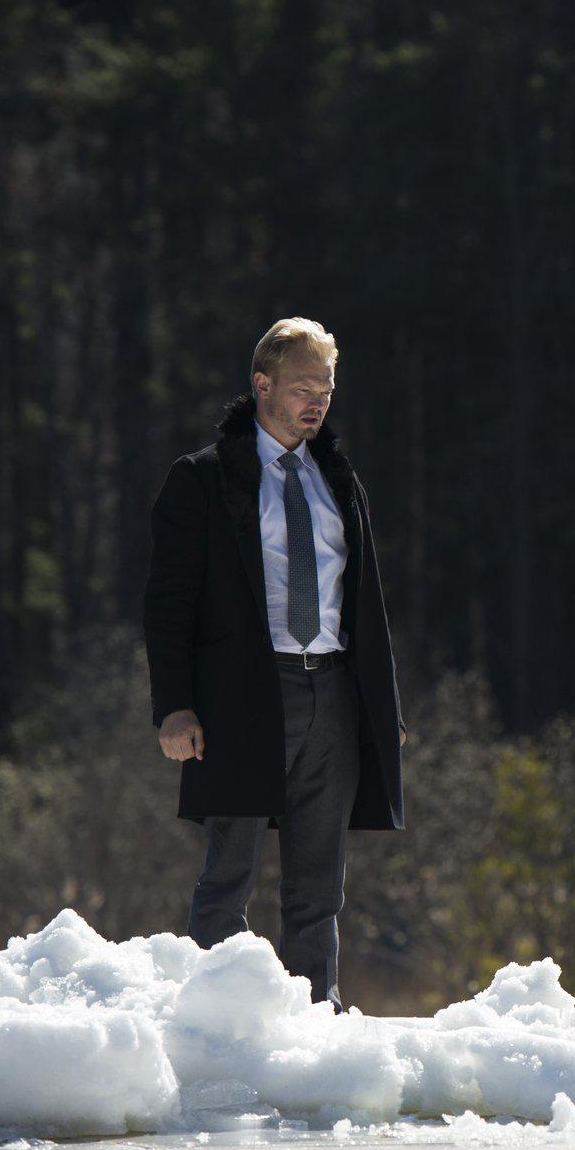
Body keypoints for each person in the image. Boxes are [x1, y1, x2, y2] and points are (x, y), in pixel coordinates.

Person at [142, 317, 406, 1013]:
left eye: (326, 389)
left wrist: (384, 706)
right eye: (302, 387)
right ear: (262, 385)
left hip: (334, 693)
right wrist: (174, 705)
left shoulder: (338, 479)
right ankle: (216, 1021)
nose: (317, 401)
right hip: (242, 696)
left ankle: (317, 1023)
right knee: (229, 872)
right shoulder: (203, 479)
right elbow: (168, 603)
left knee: (319, 884)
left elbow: (365, 603)